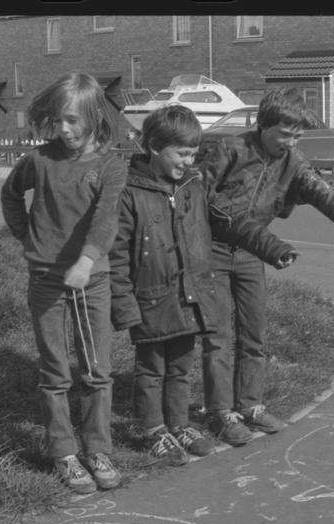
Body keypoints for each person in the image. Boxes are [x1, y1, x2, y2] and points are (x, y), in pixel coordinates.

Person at [201, 86, 334, 447]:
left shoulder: (293, 164)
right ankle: (220, 413)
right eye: (284, 134)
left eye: (297, 136)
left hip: (252, 254)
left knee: (254, 333)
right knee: (217, 337)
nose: (290, 143)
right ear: (263, 125)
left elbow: (327, 196)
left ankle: (250, 406)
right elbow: (200, 195)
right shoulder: (230, 150)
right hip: (213, 251)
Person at [0, 72, 128, 495]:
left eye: (73, 120)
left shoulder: (111, 165)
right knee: (55, 372)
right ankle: (64, 453)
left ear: (94, 117)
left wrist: (87, 260)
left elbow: (107, 218)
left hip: (92, 282)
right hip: (46, 280)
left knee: (96, 370)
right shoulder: (39, 161)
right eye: (59, 121)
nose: (65, 130)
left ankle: (97, 449)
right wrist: (25, 236)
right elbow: (10, 194)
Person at [109, 105, 224, 467]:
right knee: (150, 369)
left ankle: (180, 424)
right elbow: (116, 254)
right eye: (182, 153)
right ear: (155, 147)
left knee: (180, 367)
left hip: (189, 297)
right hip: (150, 298)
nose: (188, 162)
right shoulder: (129, 192)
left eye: (193, 154)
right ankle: (153, 429)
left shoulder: (192, 186)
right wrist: (125, 307)